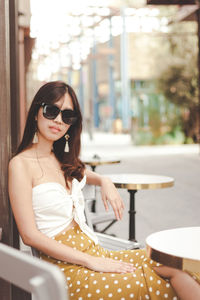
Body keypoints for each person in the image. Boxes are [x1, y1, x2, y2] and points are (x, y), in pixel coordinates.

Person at [9, 81, 200, 300]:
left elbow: (82, 173)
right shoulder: (20, 164)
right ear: (36, 113)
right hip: (66, 270)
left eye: (68, 116)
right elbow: (30, 235)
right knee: (167, 283)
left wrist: (104, 180)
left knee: (176, 263)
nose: (59, 121)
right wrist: (90, 261)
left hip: (94, 250)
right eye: (51, 111)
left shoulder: (60, 158)